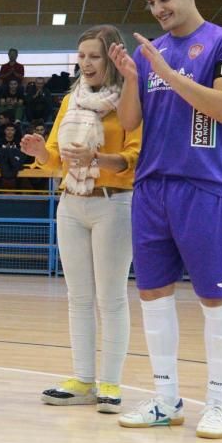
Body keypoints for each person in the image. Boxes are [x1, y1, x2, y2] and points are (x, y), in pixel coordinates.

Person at [108, 0, 222, 438]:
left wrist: (165, 68)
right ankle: (166, 399)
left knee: (215, 296)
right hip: (151, 188)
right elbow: (129, 123)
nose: (158, 9)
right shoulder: (147, 53)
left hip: (203, 185)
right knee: (153, 293)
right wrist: (133, 77)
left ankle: (219, 404)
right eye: (150, 3)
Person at [21, 25, 141, 414]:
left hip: (114, 203)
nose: (85, 63)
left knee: (111, 298)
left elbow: (135, 158)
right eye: (82, 56)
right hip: (70, 204)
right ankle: (83, 380)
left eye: (94, 56)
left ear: (111, 59)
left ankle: (110, 383)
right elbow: (55, 157)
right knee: (79, 298)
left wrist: (97, 159)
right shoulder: (70, 101)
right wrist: (40, 152)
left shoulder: (130, 101)